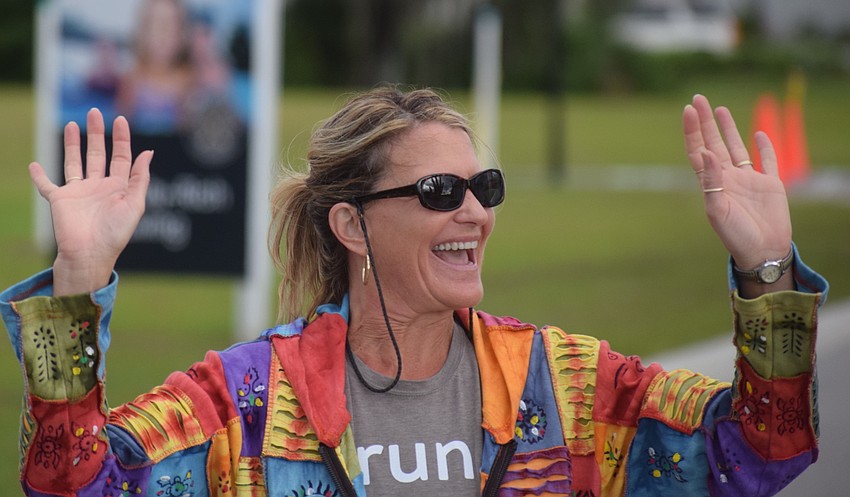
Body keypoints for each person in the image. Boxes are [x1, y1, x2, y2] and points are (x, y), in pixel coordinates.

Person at [1, 86, 828, 497]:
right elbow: (74, 483)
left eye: (485, 187)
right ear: (353, 228)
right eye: (439, 191)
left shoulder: (565, 382)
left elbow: (758, 450)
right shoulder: (251, 396)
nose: (474, 211)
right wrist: (78, 282)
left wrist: (767, 272)